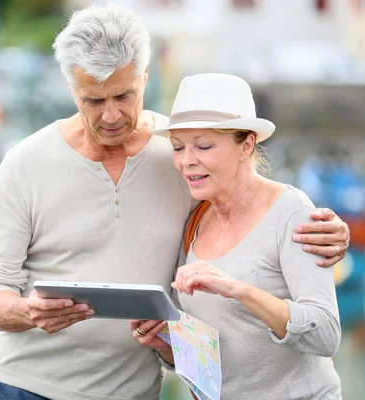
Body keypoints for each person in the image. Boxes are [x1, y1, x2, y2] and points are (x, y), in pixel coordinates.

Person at [0, 4, 349, 400]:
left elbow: (248, 196)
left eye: (124, 95)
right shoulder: (24, 165)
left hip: (134, 391)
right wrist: (26, 312)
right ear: (71, 89)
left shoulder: (176, 154)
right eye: (93, 101)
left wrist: (330, 232)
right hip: (26, 389)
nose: (112, 115)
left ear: (145, 76)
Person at [131, 73, 342, 399]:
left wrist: (238, 289)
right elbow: (203, 355)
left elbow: (326, 334)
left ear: (246, 144)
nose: (187, 160)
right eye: (177, 147)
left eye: (203, 146)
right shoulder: (195, 221)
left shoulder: (291, 211)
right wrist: (165, 340)